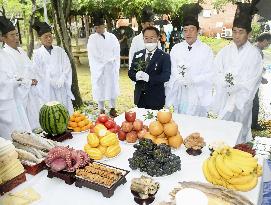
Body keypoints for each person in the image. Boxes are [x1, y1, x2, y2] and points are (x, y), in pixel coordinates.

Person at [212, 14, 263, 143]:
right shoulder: (225, 51)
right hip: (225, 96)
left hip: (242, 101)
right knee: (223, 130)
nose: (237, 36)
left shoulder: (254, 54)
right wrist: (225, 83)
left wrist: (237, 87)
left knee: (240, 130)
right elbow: (216, 71)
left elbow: (254, 80)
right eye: (234, 31)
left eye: (241, 32)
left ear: (249, 34)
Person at [165, 16, 214, 117]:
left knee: (197, 122)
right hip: (181, 91)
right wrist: (180, 79)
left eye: (192, 29)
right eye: (185, 30)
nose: (188, 33)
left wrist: (193, 79)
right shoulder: (176, 48)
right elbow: (172, 68)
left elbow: (209, 72)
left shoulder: (206, 50)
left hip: (198, 92)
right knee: (181, 118)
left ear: (198, 31)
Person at [0, 16, 41, 131]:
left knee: (35, 121)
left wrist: (35, 78)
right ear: (4, 38)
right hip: (20, 95)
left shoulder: (21, 50)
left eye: (16, 34)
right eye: (12, 35)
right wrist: (28, 82)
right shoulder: (5, 54)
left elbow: (31, 68)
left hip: (31, 92)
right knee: (24, 125)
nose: (16, 38)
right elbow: (13, 77)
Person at [32, 20, 74, 114]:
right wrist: (50, 81)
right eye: (45, 37)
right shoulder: (37, 54)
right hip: (48, 87)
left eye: (50, 36)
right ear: (40, 39)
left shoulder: (59, 51)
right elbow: (37, 71)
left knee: (64, 105)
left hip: (61, 84)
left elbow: (67, 65)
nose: (49, 39)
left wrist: (63, 77)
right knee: (52, 110)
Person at [128, 26, 171, 110]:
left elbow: (166, 76)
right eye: (146, 38)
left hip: (155, 98)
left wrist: (149, 78)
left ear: (158, 38)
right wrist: (136, 76)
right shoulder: (138, 54)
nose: (149, 40)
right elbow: (131, 72)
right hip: (140, 97)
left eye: (152, 37)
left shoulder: (164, 56)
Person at [87, 15, 120, 117]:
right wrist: (104, 61)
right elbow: (93, 53)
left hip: (110, 67)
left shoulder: (112, 37)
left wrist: (113, 60)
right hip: (99, 68)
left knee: (112, 86)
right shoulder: (92, 38)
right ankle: (101, 109)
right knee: (100, 87)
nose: (97, 29)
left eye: (99, 27)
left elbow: (116, 49)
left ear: (104, 26)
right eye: (95, 28)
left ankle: (112, 108)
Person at [252, 33, 271, 130]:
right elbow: (253, 69)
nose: (267, 46)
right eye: (267, 44)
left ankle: (251, 123)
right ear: (263, 41)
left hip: (253, 82)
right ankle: (253, 125)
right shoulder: (256, 51)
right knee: (255, 104)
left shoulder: (255, 49)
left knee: (253, 103)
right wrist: (262, 78)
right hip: (252, 83)